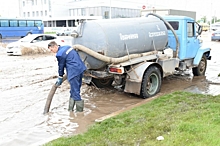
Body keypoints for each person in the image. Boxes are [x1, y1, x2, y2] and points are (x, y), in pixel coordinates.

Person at [48, 41, 86, 112]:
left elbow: (61, 66)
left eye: (51, 49)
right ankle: (70, 110)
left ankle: (79, 112)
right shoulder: (67, 47)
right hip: (80, 69)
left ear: (55, 46)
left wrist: (60, 77)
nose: (51, 51)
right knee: (74, 90)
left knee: (75, 92)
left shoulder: (59, 54)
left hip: (73, 72)